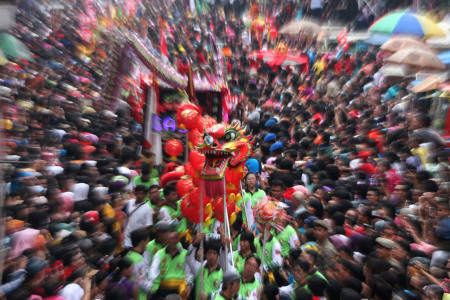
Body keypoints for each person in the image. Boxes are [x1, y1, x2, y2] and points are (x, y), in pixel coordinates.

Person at [148, 230, 193, 299]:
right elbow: (153, 270)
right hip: (163, 289)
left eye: (174, 238)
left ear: (178, 239)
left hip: (179, 289)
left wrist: (189, 285)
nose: (171, 241)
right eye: (169, 238)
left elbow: (189, 272)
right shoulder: (159, 254)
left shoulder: (185, 254)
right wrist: (150, 285)